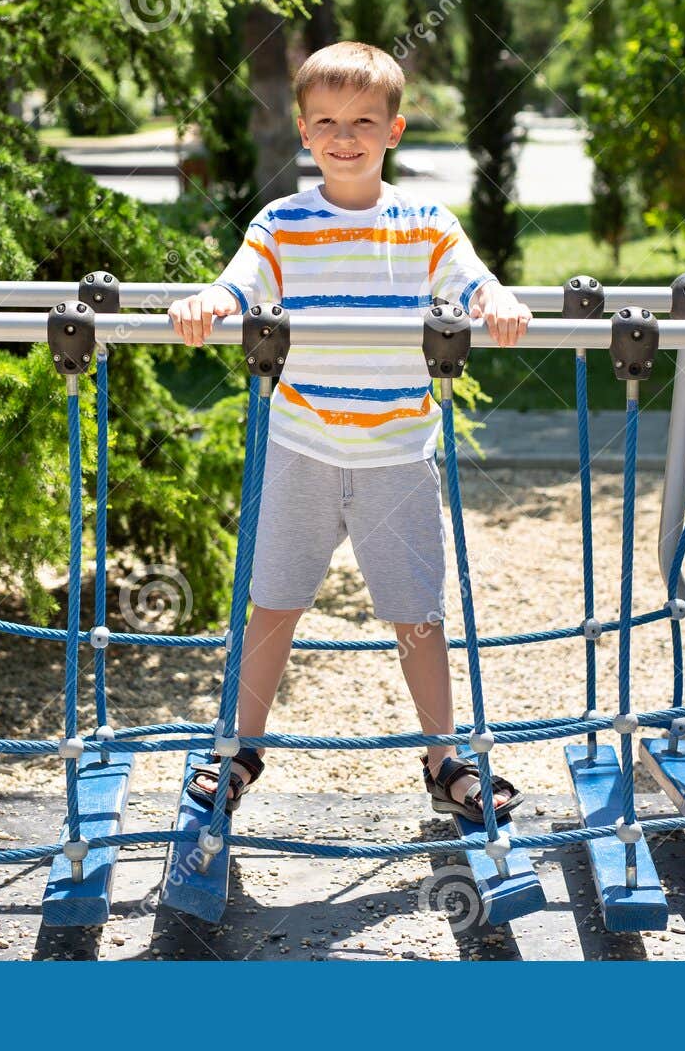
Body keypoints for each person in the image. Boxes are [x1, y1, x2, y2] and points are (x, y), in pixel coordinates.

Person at [167, 41, 532, 823]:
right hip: (302, 447)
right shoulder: (284, 222)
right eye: (327, 120)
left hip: (397, 453)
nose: (346, 135)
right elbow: (239, 281)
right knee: (272, 602)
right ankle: (239, 748)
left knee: (416, 614)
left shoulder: (424, 222)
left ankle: (444, 758)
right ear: (304, 132)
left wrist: (495, 302)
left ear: (394, 130)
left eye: (364, 120)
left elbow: (471, 277)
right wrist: (209, 302)